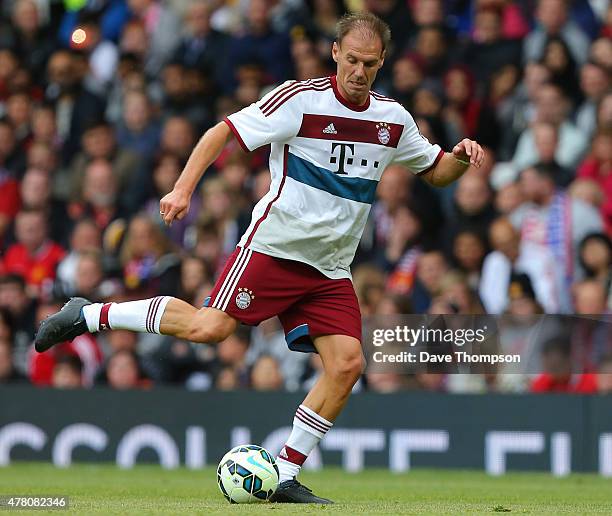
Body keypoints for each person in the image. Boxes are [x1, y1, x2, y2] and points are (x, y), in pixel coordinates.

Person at [35, 12, 484, 504]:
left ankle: (285, 473)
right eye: (351, 60)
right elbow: (221, 132)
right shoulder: (299, 100)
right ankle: (90, 313)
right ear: (335, 53)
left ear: (382, 63)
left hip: (330, 267)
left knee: (348, 364)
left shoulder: (392, 119)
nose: (359, 71)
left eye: (370, 64)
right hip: (274, 249)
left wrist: (460, 157)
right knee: (210, 329)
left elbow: (436, 170)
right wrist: (183, 188)